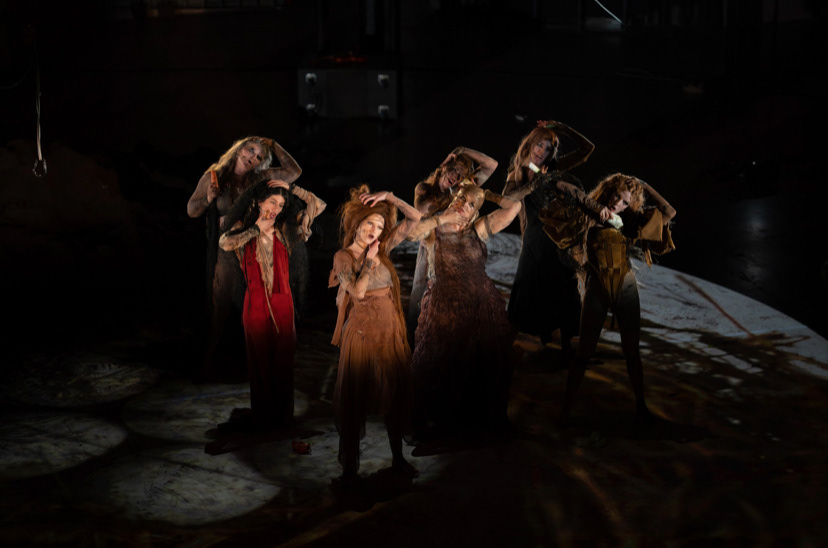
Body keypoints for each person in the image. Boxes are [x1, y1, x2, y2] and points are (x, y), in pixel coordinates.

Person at [538, 173, 676, 425]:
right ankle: (565, 410)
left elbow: (669, 211)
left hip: (625, 287)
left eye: (624, 202)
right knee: (584, 353)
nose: (617, 203)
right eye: (616, 196)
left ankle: (641, 407)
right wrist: (591, 205)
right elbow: (559, 185)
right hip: (597, 288)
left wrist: (644, 185)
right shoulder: (588, 213)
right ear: (609, 191)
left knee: (632, 352)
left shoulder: (630, 222)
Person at [409, 180, 533, 437]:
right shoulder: (435, 226)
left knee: (485, 360)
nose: (464, 205)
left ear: (476, 211)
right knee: (444, 361)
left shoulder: (478, 228)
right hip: (447, 303)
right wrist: (444, 218)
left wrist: (487, 194)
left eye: (471, 204)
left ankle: (477, 422)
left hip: (480, 302)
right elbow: (412, 233)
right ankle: (440, 423)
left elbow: (514, 207)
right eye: (462, 199)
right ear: (455, 197)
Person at [328, 186, 426, 480]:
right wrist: (369, 261)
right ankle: (350, 470)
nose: (375, 230)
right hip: (361, 333)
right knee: (355, 399)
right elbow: (357, 293)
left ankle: (398, 459)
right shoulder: (344, 257)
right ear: (357, 224)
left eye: (380, 226)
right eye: (370, 223)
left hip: (389, 330)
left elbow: (415, 217)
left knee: (395, 395)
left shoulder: (382, 248)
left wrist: (390, 197)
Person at [187, 137, 303, 381]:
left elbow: (294, 172)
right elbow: (192, 210)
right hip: (226, 250)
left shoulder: (258, 179)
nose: (253, 158)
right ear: (240, 148)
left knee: (258, 306)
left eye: (259, 157)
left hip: (253, 248)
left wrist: (273, 145)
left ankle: (259, 364)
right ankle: (206, 362)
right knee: (220, 306)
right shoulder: (214, 177)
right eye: (251, 150)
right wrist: (208, 198)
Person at [218, 178, 325, 430]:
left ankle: (283, 419)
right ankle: (264, 418)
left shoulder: (286, 230)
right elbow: (224, 243)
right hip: (255, 302)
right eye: (272, 202)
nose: (276, 208)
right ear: (258, 202)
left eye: (280, 204)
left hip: (282, 301)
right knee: (259, 362)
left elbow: (318, 205)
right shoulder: (243, 228)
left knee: (283, 361)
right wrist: (256, 229)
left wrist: (293, 189)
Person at [504, 120, 594, 359]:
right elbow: (507, 199)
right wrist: (535, 183)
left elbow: (587, 150)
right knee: (525, 289)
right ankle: (504, 346)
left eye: (548, 148)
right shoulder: (517, 172)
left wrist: (563, 128)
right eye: (539, 145)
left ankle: (566, 349)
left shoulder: (553, 168)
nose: (542, 151)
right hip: (534, 240)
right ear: (530, 144)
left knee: (565, 289)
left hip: (558, 240)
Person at [407, 147, 498, 344]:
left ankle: (438, 337)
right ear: (444, 167)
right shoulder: (424, 188)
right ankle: (412, 338)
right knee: (419, 289)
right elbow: (424, 209)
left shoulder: (459, 190)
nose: (455, 177)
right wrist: (452, 199)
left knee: (445, 291)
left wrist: (462, 149)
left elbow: (492, 165)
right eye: (454, 170)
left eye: (460, 175)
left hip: (451, 248)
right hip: (429, 244)